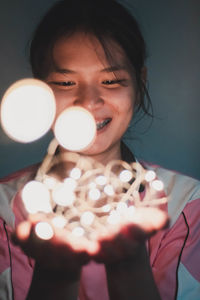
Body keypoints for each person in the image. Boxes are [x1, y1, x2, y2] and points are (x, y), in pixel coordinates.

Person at [0, 0, 200, 299]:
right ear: (41, 89)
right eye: (66, 82)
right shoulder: (5, 209)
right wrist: (56, 276)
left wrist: (128, 266)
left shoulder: (185, 204)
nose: (88, 101)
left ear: (138, 83)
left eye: (111, 80)